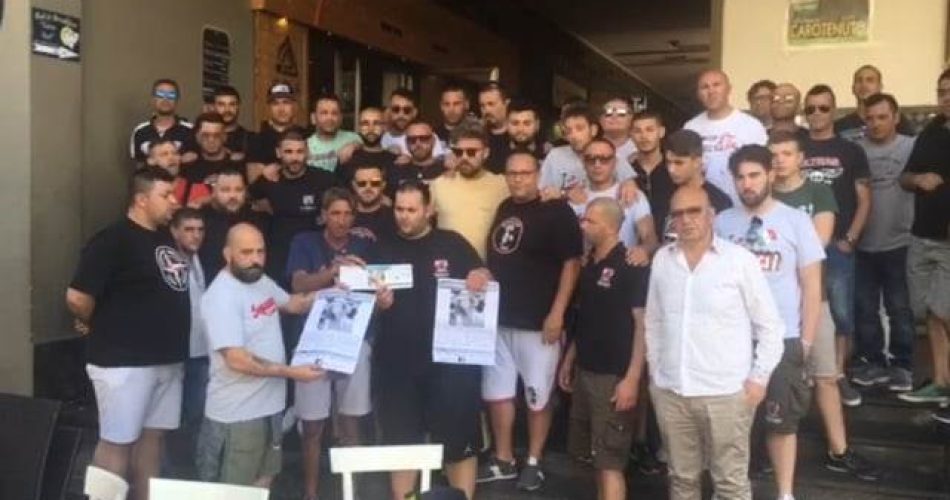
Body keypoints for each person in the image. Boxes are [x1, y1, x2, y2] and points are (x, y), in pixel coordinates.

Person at [646, 185, 785, 500]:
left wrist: (759, 378)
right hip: (672, 391)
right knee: (681, 480)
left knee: (730, 483)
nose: (686, 219)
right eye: (678, 213)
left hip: (726, 393)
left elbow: (770, 326)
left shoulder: (739, 260)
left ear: (711, 215)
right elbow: (653, 320)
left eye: (694, 211)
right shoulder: (663, 260)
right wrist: (655, 373)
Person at [66, 168, 190, 500]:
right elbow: (77, 297)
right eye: (166, 195)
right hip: (123, 362)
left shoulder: (164, 238)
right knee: (117, 443)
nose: (174, 201)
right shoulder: (113, 239)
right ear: (141, 199)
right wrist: (104, 325)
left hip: (165, 360)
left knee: (153, 439)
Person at [769, 131, 880, 481]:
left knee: (826, 377)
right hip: (771, 304)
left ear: (801, 158)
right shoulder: (763, 193)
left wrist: (781, 249)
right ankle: (765, 452)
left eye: (787, 153)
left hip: (813, 298)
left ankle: (839, 450)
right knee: (767, 379)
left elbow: (818, 243)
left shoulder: (818, 192)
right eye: (774, 154)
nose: (780, 160)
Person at [716, 144, 824, 500]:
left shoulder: (796, 221)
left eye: (754, 175)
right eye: (741, 177)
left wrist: (806, 341)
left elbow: (812, 285)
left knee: (781, 422)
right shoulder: (721, 223)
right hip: (732, 339)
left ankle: (785, 493)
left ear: (771, 175)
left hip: (783, 337)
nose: (747, 184)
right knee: (731, 424)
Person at [372, 181, 491, 500]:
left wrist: (481, 276)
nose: (404, 216)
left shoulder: (452, 243)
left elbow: (484, 275)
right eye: (399, 209)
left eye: (412, 210)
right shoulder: (382, 247)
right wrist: (379, 303)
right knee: (402, 444)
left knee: (458, 443)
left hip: (452, 366)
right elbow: (363, 304)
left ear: (429, 210)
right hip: (397, 365)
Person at [478, 152, 582, 490]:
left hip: (539, 322)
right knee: (498, 394)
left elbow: (571, 263)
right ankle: (504, 458)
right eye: (512, 173)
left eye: (525, 173)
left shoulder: (557, 210)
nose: (518, 179)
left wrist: (557, 312)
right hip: (499, 319)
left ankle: (534, 460)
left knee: (538, 395)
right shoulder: (505, 207)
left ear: (538, 174)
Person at [197, 223, 323, 487]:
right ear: (227, 254)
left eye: (260, 251)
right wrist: (292, 373)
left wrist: (334, 292)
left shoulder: (259, 281)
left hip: (270, 408)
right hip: (237, 415)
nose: (255, 259)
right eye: (246, 252)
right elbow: (237, 359)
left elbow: (293, 304)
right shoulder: (221, 296)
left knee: (263, 481)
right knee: (234, 492)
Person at [286, 189, 375, 500]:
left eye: (347, 214)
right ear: (323, 215)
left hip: (353, 339)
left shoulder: (364, 244)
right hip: (312, 341)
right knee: (312, 426)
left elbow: (378, 286)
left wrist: (361, 275)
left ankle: (353, 493)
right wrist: (333, 272)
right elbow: (297, 284)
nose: (341, 220)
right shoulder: (305, 241)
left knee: (351, 422)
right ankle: (310, 494)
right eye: (335, 213)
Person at [558, 197, 647, 500]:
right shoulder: (590, 263)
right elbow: (585, 316)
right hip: (586, 370)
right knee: (595, 457)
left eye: (590, 221)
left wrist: (632, 378)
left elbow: (643, 325)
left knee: (611, 463)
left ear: (610, 226)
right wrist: (570, 359)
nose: (583, 226)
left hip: (614, 377)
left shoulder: (630, 265)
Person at [800, 84, 872, 405]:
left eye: (823, 108)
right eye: (810, 108)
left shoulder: (852, 151)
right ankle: (805, 373)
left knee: (841, 314)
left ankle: (837, 374)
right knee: (802, 307)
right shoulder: (795, 148)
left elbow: (865, 199)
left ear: (834, 111)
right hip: (801, 248)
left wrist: (851, 239)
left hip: (837, 245)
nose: (816, 114)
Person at [848, 94, 917, 397]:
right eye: (870, 118)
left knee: (899, 308)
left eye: (882, 117)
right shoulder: (856, 151)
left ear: (896, 117)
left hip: (901, 241)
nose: (875, 123)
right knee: (865, 308)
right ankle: (873, 362)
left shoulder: (912, 147)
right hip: (863, 244)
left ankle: (902, 365)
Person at [901, 68, 950, 421]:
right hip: (922, 236)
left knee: (944, 310)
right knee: (929, 312)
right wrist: (919, 178)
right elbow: (904, 177)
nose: (946, 97)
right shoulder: (931, 131)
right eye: (942, 91)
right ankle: (940, 381)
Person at [251, 128, 336, 286]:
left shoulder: (325, 180)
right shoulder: (267, 180)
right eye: (288, 152)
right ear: (278, 153)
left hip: (313, 258)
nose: (295, 158)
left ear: (307, 153)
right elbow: (248, 199)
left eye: (299, 152)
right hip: (278, 257)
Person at [683, 69, 768, 204]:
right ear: (698, 94)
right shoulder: (691, 127)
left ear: (728, 89)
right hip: (703, 207)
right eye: (705, 87)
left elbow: (764, 167)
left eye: (716, 85)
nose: (711, 91)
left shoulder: (751, 125)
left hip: (743, 205)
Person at [568, 138, 658, 264]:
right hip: (584, 269)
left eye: (604, 159)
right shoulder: (574, 198)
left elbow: (650, 237)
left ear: (615, 162)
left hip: (623, 267)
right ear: (583, 162)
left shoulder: (632, 194)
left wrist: (644, 250)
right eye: (590, 159)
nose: (597, 164)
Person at [430, 119, 510, 259]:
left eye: (471, 152)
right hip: (448, 267)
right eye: (458, 152)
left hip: (488, 267)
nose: (464, 157)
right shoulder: (439, 184)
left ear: (486, 152)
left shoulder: (503, 185)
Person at [169, 207, 208, 475]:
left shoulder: (198, 259)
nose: (196, 235)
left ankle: (193, 471)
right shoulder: (168, 263)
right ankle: (169, 475)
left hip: (200, 349)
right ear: (174, 231)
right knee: (170, 416)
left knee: (197, 414)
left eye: (200, 230)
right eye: (189, 229)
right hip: (176, 351)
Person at [539, 106, 636, 194]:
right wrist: (564, 194)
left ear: (593, 130)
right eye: (568, 131)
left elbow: (630, 183)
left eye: (579, 129)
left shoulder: (609, 153)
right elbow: (541, 190)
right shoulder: (555, 156)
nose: (573, 135)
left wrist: (629, 183)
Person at [198, 167, 268, 281]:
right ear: (214, 193)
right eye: (225, 190)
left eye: (238, 190)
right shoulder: (199, 220)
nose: (233, 196)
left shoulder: (257, 220)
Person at [661, 129, 732, 241]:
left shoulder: (719, 201)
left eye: (679, 163)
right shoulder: (662, 192)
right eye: (668, 162)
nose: (671, 169)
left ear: (697, 162)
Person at [835, 65, 916, 141]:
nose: (864, 85)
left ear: (880, 87)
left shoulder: (896, 120)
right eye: (859, 80)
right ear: (853, 88)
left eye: (870, 80)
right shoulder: (840, 126)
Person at [130, 78, 197, 164]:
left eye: (171, 95)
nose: (165, 99)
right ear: (153, 99)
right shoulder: (140, 131)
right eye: (160, 95)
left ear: (177, 100)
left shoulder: (191, 130)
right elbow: (138, 163)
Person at [247, 81, 300, 184]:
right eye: (275, 103)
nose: (281, 109)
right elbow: (253, 181)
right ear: (269, 108)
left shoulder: (305, 135)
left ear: (294, 106)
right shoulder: (256, 140)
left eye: (286, 102)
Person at [631, 110, 673, 237]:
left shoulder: (674, 169)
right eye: (637, 131)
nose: (644, 136)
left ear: (661, 132)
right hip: (635, 242)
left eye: (649, 130)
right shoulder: (627, 172)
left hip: (670, 240)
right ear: (631, 135)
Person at [337, 107, 399, 187]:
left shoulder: (395, 160)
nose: (371, 129)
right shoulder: (347, 157)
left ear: (384, 127)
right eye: (365, 123)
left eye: (376, 123)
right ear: (359, 127)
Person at [183, 112, 244, 187]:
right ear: (197, 136)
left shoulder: (237, 165)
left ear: (225, 136)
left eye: (217, 135)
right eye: (205, 135)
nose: (211, 140)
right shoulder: (188, 166)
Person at [146, 138, 211, 208]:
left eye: (175, 153)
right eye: (164, 154)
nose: (171, 158)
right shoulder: (144, 191)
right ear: (151, 161)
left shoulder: (197, 188)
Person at [306, 93, 361, 173]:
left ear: (341, 118)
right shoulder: (305, 146)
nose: (330, 118)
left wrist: (355, 145)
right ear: (313, 118)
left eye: (334, 113)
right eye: (324, 113)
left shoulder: (353, 139)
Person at [383, 87, 446, 157]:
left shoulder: (427, 137)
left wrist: (410, 160)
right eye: (396, 109)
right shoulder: (380, 138)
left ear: (414, 112)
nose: (401, 115)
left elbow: (440, 161)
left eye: (407, 110)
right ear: (389, 111)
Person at [350, 163, 396, 241]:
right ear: (354, 185)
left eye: (375, 183)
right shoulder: (342, 214)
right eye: (362, 183)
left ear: (383, 185)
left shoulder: (395, 218)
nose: (368, 187)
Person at [212, 85, 251, 161]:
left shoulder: (251, 139)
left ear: (238, 106)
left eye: (232, 104)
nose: (227, 110)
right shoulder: (203, 138)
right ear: (213, 107)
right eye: (221, 104)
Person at [479, 82, 512, 172]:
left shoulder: (517, 136)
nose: (486, 110)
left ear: (506, 104)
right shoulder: (477, 137)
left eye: (491, 104)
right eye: (482, 106)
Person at [599, 96, 637, 163]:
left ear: (631, 119)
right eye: (609, 113)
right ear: (601, 120)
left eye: (621, 114)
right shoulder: (588, 148)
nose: (614, 117)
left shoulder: (640, 149)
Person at [435, 82, 471, 148]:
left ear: (466, 104)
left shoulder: (477, 134)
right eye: (447, 104)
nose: (451, 109)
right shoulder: (434, 136)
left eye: (456, 104)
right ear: (441, 106)